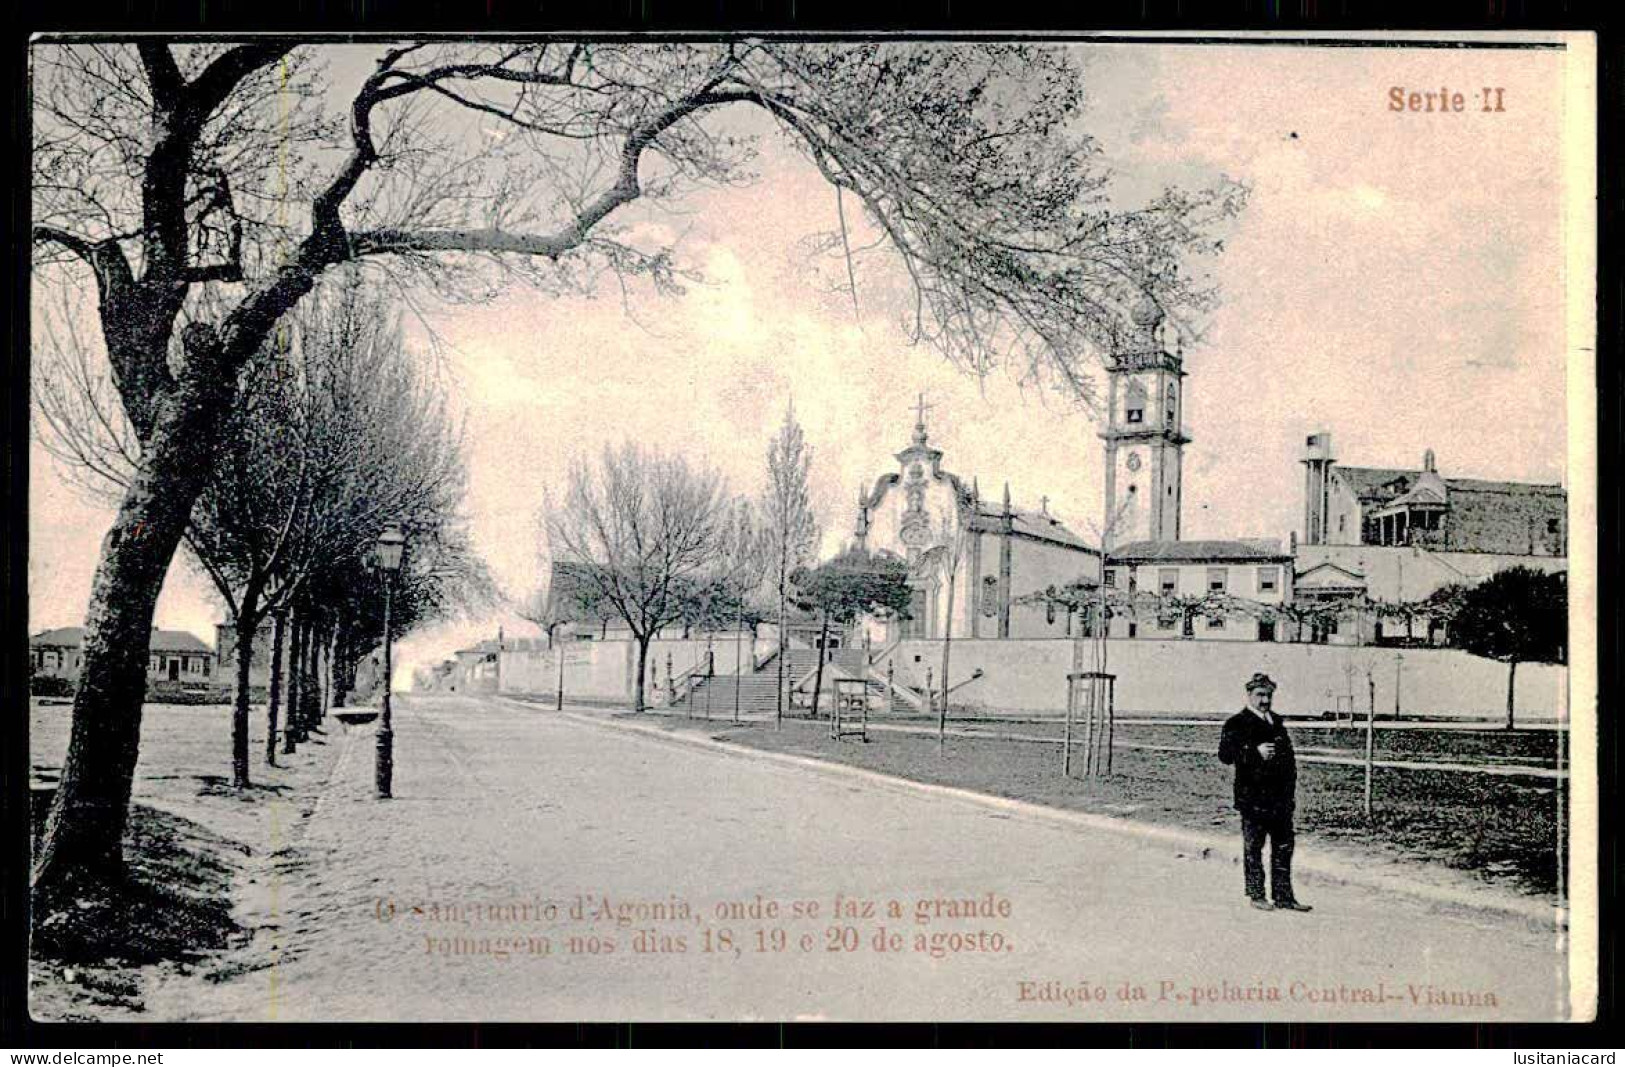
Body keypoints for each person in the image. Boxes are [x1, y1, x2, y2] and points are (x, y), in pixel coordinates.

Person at [1218, 673, 1312, 912]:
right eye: (1260, 695)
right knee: (1253, 847)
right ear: (1249, 695)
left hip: (1280, 800)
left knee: (1283, 847)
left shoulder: (1277, 722)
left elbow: (1288, 760)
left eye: (1268, 695)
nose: (1265, 700)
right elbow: (1226, 755)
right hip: (1253, 799)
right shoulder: (1236, 723)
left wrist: (1289, 794)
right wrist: (1253, 750)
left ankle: (1284, 896)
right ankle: (1257, 894)